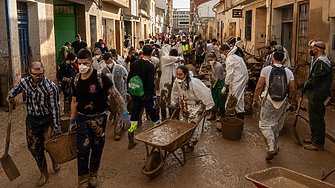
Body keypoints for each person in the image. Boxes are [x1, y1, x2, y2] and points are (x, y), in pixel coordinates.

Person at [69, 49, 130, 188]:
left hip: (99, 119)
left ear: (92, 62)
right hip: (83, 118)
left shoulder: (101, 77)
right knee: (83, 150)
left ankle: (93, 174)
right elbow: (74, 101)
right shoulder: (76, 80)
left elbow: (116, 94)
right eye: (79, 63)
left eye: (85, 63)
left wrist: (125, 113)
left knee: (97, 148)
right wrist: (72, 120)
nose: (82, 66)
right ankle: (83, 180)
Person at [6, 62, 61, 187]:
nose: (37, 77)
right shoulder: (24, 82)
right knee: (34, 148)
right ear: (30, 73)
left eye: (40, 74)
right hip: (32, 120)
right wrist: (10, 95)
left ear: (44, 71)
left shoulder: (51, 87)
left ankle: (54, 160)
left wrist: (57, 127)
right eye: (35, 74)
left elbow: (55, 108)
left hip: (47, 120)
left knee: (49, 144)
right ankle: (44, 173)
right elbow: (15, 89)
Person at [252, 51, 296, 161]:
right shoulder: (288, 72)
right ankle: (275, 146)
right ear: (284, 60)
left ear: (272, 59)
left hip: (269, 100)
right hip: (283, 101)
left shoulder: (266, 70)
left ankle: (271, 147)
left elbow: (259, 86)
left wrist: (255, 99)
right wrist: (293, 103)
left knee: (264, 124)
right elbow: (293, 90)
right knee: (277, 125)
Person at [300, 41, 335, 151]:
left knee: (316, 118)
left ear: (316, 49)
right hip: (317, 93)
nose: (310, 50)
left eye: (312, 48)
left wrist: (304, 85)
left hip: (317, 94)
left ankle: (318, 143)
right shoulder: (322, 60)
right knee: (313, 116)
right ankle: (314, 137)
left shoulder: (321, 63)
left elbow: (314, 80)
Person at [171, 65, 214, 152]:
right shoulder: (177, 81)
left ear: (186, 74)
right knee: (183, 124)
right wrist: (174, 102)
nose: (178, 76)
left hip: (196, 106)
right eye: (177, 74)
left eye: (180, 74)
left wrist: (208, 106)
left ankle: (191, 144)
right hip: (184, 105)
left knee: (193, 125)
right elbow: (174, 92)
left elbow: (205, 93)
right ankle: (184, 141)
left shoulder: (194, 83)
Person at [127, 45, 161, 149]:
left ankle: (131, 137)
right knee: (154, 113)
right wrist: (154, 96)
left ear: (142, 52)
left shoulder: (134, 63)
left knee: (134, 115)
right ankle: (159, 137)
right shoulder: (150, 66)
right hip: (146, 94)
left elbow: (129, 78)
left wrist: (131, 91)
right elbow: (151, 83)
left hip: (136, 93)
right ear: (151, 53)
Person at [101, 52, 128, 141]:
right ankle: (120, 122)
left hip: (121, 92)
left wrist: (127, 92)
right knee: (114, 109)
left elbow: (126, 79)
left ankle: (117, 131)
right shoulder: (103, 71)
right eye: (107, 62)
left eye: (110, 61)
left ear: (112, 59)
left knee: (120, 111)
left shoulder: (120, 68)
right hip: (110, 95)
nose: (109, 64)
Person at [220, 44, 248, 120]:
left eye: (221, 52)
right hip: (241, 79)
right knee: (239, 101)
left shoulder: (230, 59)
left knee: (231, 100)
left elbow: (230, 74)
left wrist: (225, 86)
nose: (221, 55)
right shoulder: (236, 57)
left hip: (238, 80)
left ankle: (228, 123)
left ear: (225, 51)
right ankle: (239, 122)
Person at [159, 49, 184, 120]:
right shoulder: (165, 59)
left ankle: (171, 116)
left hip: (172, 83)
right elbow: (179, 58)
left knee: (172, 100)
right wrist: (181, 59)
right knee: (163, 100)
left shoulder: (175, 62)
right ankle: (163, 117)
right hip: (165, 83)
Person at [207, 51, 226, 121]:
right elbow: (213, 75)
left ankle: (222, 114)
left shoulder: (219, 66)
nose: (210, 62)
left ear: (215, 58)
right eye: (209, 60)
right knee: (213, 97)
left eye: (211, 60)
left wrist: (213, 86)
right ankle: (213, 113)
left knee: (221, 98)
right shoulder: (212, 65)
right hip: (214, 81)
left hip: (220, 82)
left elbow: (218, 77)